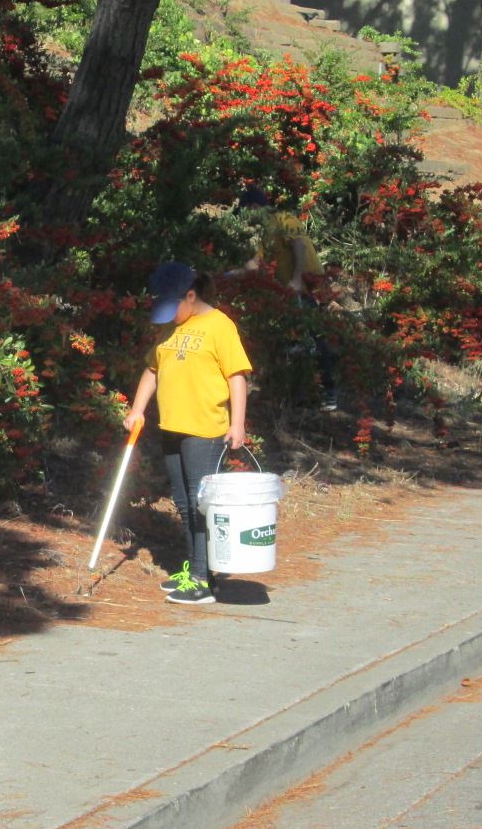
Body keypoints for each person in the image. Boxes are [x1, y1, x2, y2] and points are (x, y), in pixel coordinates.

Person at [123, 262, 252, 605]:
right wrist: (137, 410)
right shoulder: (171, 329)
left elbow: (236, 376)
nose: (168, 316)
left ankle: (202, 579)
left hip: (205, 430)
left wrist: (237, 423)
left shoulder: (219, 326)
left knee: (201, 504)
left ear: (191, 296)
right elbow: (153, 369)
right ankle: (196, 570)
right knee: (183, 504)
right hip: (172, 427)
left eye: (172, 307)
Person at [242, 187, 338, 411]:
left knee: (314, 337)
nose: (246, 219)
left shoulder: (285, 220)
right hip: (291, 292)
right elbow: (256, 263)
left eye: (247, 212)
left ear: (255, 208)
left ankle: (328, 392)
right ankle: (294, 391)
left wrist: (296, 279)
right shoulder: (266, 234)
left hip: (307, 286)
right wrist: (228, 274)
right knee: (293, 339)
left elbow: (300, 246)